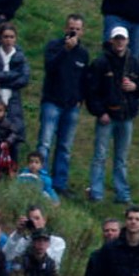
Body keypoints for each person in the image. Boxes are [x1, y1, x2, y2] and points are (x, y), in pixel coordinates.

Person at [84, 27, 139, 204]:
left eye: (123, 39)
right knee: (100, 156)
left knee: (121, 158)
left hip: (126, 116)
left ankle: (123, 193)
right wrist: (100, 112)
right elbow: (91, 92)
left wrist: (135, 87)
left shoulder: (135, 63)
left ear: (127, 41)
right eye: (117, 39)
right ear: (111, 41)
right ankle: (96, 192)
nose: (120, 42)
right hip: (107, 116)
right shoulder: (100, 63)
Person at [37, 14, 91, 196]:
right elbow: (50, 67)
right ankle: (40, 179)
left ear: (82, 31)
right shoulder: (54, 46)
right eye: (71, 27)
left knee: (65, 147)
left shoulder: (83, 54)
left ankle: (60, 183)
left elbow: (84, 79)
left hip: (72, 106)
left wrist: (80, 98)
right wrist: (65, 51)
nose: (73, 31)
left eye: (77, 28)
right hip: (52, 102)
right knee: (45, 143)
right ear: (65, 28)